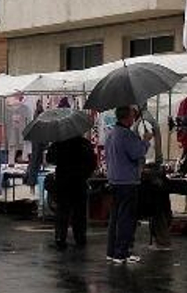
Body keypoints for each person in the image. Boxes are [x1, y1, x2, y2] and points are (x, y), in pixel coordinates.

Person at [104, 105, 153, 265]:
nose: (134, 118)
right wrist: (145, 141)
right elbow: (137, 153)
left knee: (115, 218)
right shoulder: (126, 135)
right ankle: (122, 253)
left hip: (114, 179)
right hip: (127, 181)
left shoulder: (111, 133)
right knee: (126, 219)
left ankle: (112, 251)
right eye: (132, 116)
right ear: (127, 118)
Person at [47, 133, 94, 249]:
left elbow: (50, 159)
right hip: (79, 182)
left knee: (62, 211)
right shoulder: (85, 144)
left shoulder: (59, 143)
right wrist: (85, 174)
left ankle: (60, 238)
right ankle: (80, 237)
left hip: (63, 182)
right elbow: (92, 163)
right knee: (79, 212)